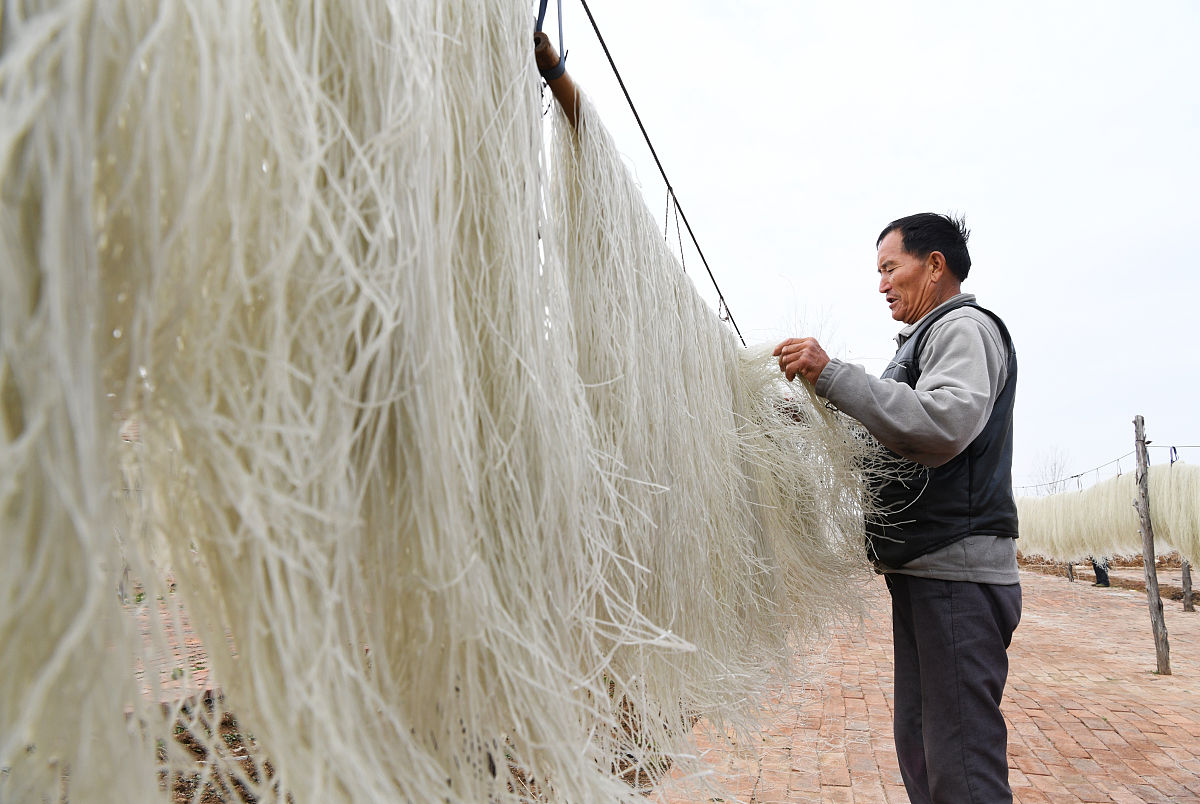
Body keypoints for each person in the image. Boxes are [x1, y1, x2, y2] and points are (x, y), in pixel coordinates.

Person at [774, 213, 1021, 804]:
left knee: (961, 764)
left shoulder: (962, 329)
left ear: (935, 265)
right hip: (926, 571)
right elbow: (885, 446)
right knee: (923, 746)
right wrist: (810, 418)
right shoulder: (920, 343)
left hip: (956, 576)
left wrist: (832, 374)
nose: (882, 284)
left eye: (891, 268)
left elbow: (941, 424)